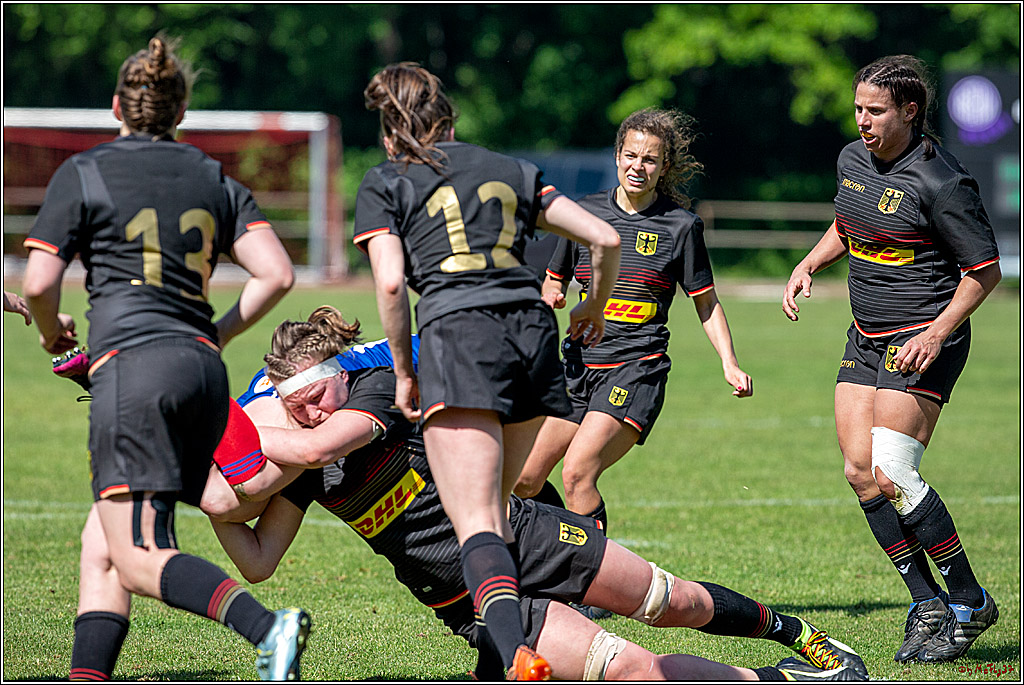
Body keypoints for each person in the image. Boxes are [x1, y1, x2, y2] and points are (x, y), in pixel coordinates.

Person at [200, 306, 867, 682]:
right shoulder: (302, 459)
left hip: (525, 538)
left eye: (314, 394)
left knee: (672, 601)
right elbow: (257, 558)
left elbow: (317, 444)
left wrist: (241, 433)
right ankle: (785, 680)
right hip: (462, 596)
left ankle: (799, 632)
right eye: (295, 405)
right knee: (630, 669)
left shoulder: (378, 389)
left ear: (336, 373)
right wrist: (202, 484)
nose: (310, 412)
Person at [21, 35, 309, 681]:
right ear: (180, 114)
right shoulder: (211, 175)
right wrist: (220, 331)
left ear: (117, 106)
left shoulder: (86, 171)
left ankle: (268, 627)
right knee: (102, 546)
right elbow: (278, 274)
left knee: (135, 554)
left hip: (136, 369)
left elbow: (40, 283)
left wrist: (50, 332)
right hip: (202, 368)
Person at [352, 62, 622, 680]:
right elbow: (603, 236)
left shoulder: (386, 179)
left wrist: (401, 371)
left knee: (471, 523)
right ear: (449, 120)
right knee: (497, 514)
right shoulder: (506, 167)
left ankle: (515, 654)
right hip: (531, 331)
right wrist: (594, 305)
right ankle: (500, 655)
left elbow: (392, 282)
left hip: (459, 335)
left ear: (392, 134)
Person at [782, 55, 1001, 664]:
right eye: (857, 109)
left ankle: (969, 599)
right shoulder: (853, 160)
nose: (862, 121)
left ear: (911, 111)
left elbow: (984, 272)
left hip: (923, 340)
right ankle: (925, 602)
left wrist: (936, 333)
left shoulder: (942, 181)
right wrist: (808, 263)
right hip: (865, 335)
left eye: (875, 111)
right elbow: (848, 223)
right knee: (860, 473)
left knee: (894, 472)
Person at [514, 108, 752, 535]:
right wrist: (551, 293)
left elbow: (706, 303)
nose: (638, 167)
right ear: (617, 155)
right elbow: (554, 277)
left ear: (664, 167)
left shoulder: (681, 227)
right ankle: (554, 553)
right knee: (525, 480)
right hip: (577, 368)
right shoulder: (582, 214)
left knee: (577, 473)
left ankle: (594, 586)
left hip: (635, 368)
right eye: (631, 155)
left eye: (650, 159)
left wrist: (729, 362)